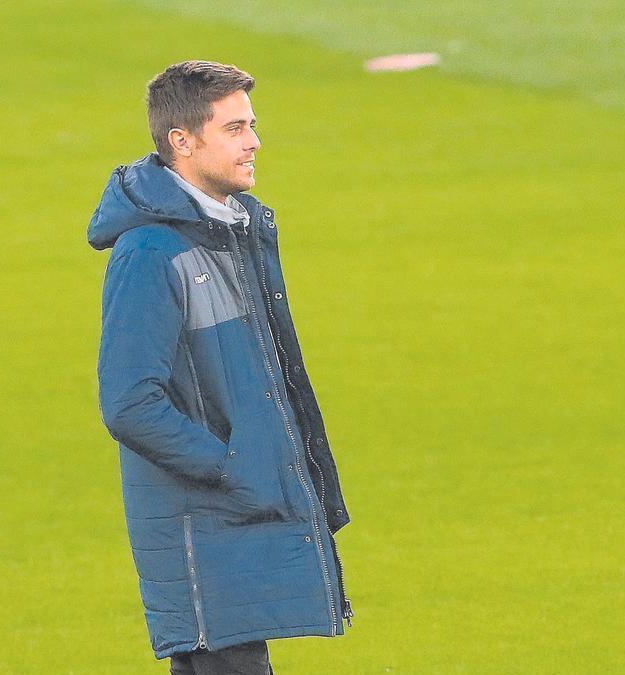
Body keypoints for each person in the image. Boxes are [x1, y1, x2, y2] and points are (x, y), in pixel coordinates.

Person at [87, 60, 354, 674]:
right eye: (234, 128)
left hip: (235, 516)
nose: (254, 142)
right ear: (182, 141)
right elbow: (130, 404)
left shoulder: (239, 232)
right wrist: (232, 467)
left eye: (251, 125)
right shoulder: (151, 254)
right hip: (206, 525)